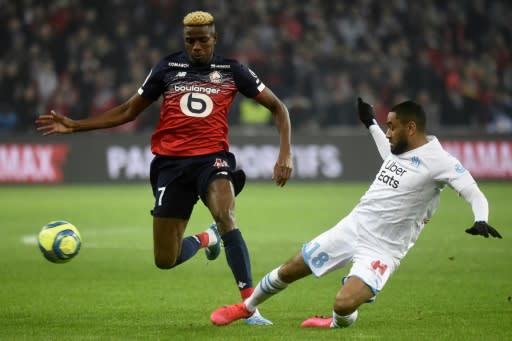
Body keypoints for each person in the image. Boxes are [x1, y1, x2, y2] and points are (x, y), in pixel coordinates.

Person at [35, 11, 293, 325]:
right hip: (170, 165)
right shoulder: (167, 67)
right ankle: (204, 240)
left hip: (212, 159)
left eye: (202, 40)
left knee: (226, 215)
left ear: (214, 39)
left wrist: (285, 155)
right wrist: (76, 126)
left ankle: (249, 306)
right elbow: (130, 110)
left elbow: (278, 108)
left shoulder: (232, 70)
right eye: (190, 41)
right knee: (165, 259)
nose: (196, 47)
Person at [209, 97, 502, 328]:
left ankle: (338, 322)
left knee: (343, 304)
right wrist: (370, 123)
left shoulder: (440, 161)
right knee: (292, 268)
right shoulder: (399, 152)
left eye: (392, 126)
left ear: (411, 128)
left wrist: (481, 218)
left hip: (383, 248)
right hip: (353, 227)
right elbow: (388, 155)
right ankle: (246, 309)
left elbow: (472, 190)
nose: (388, 132)